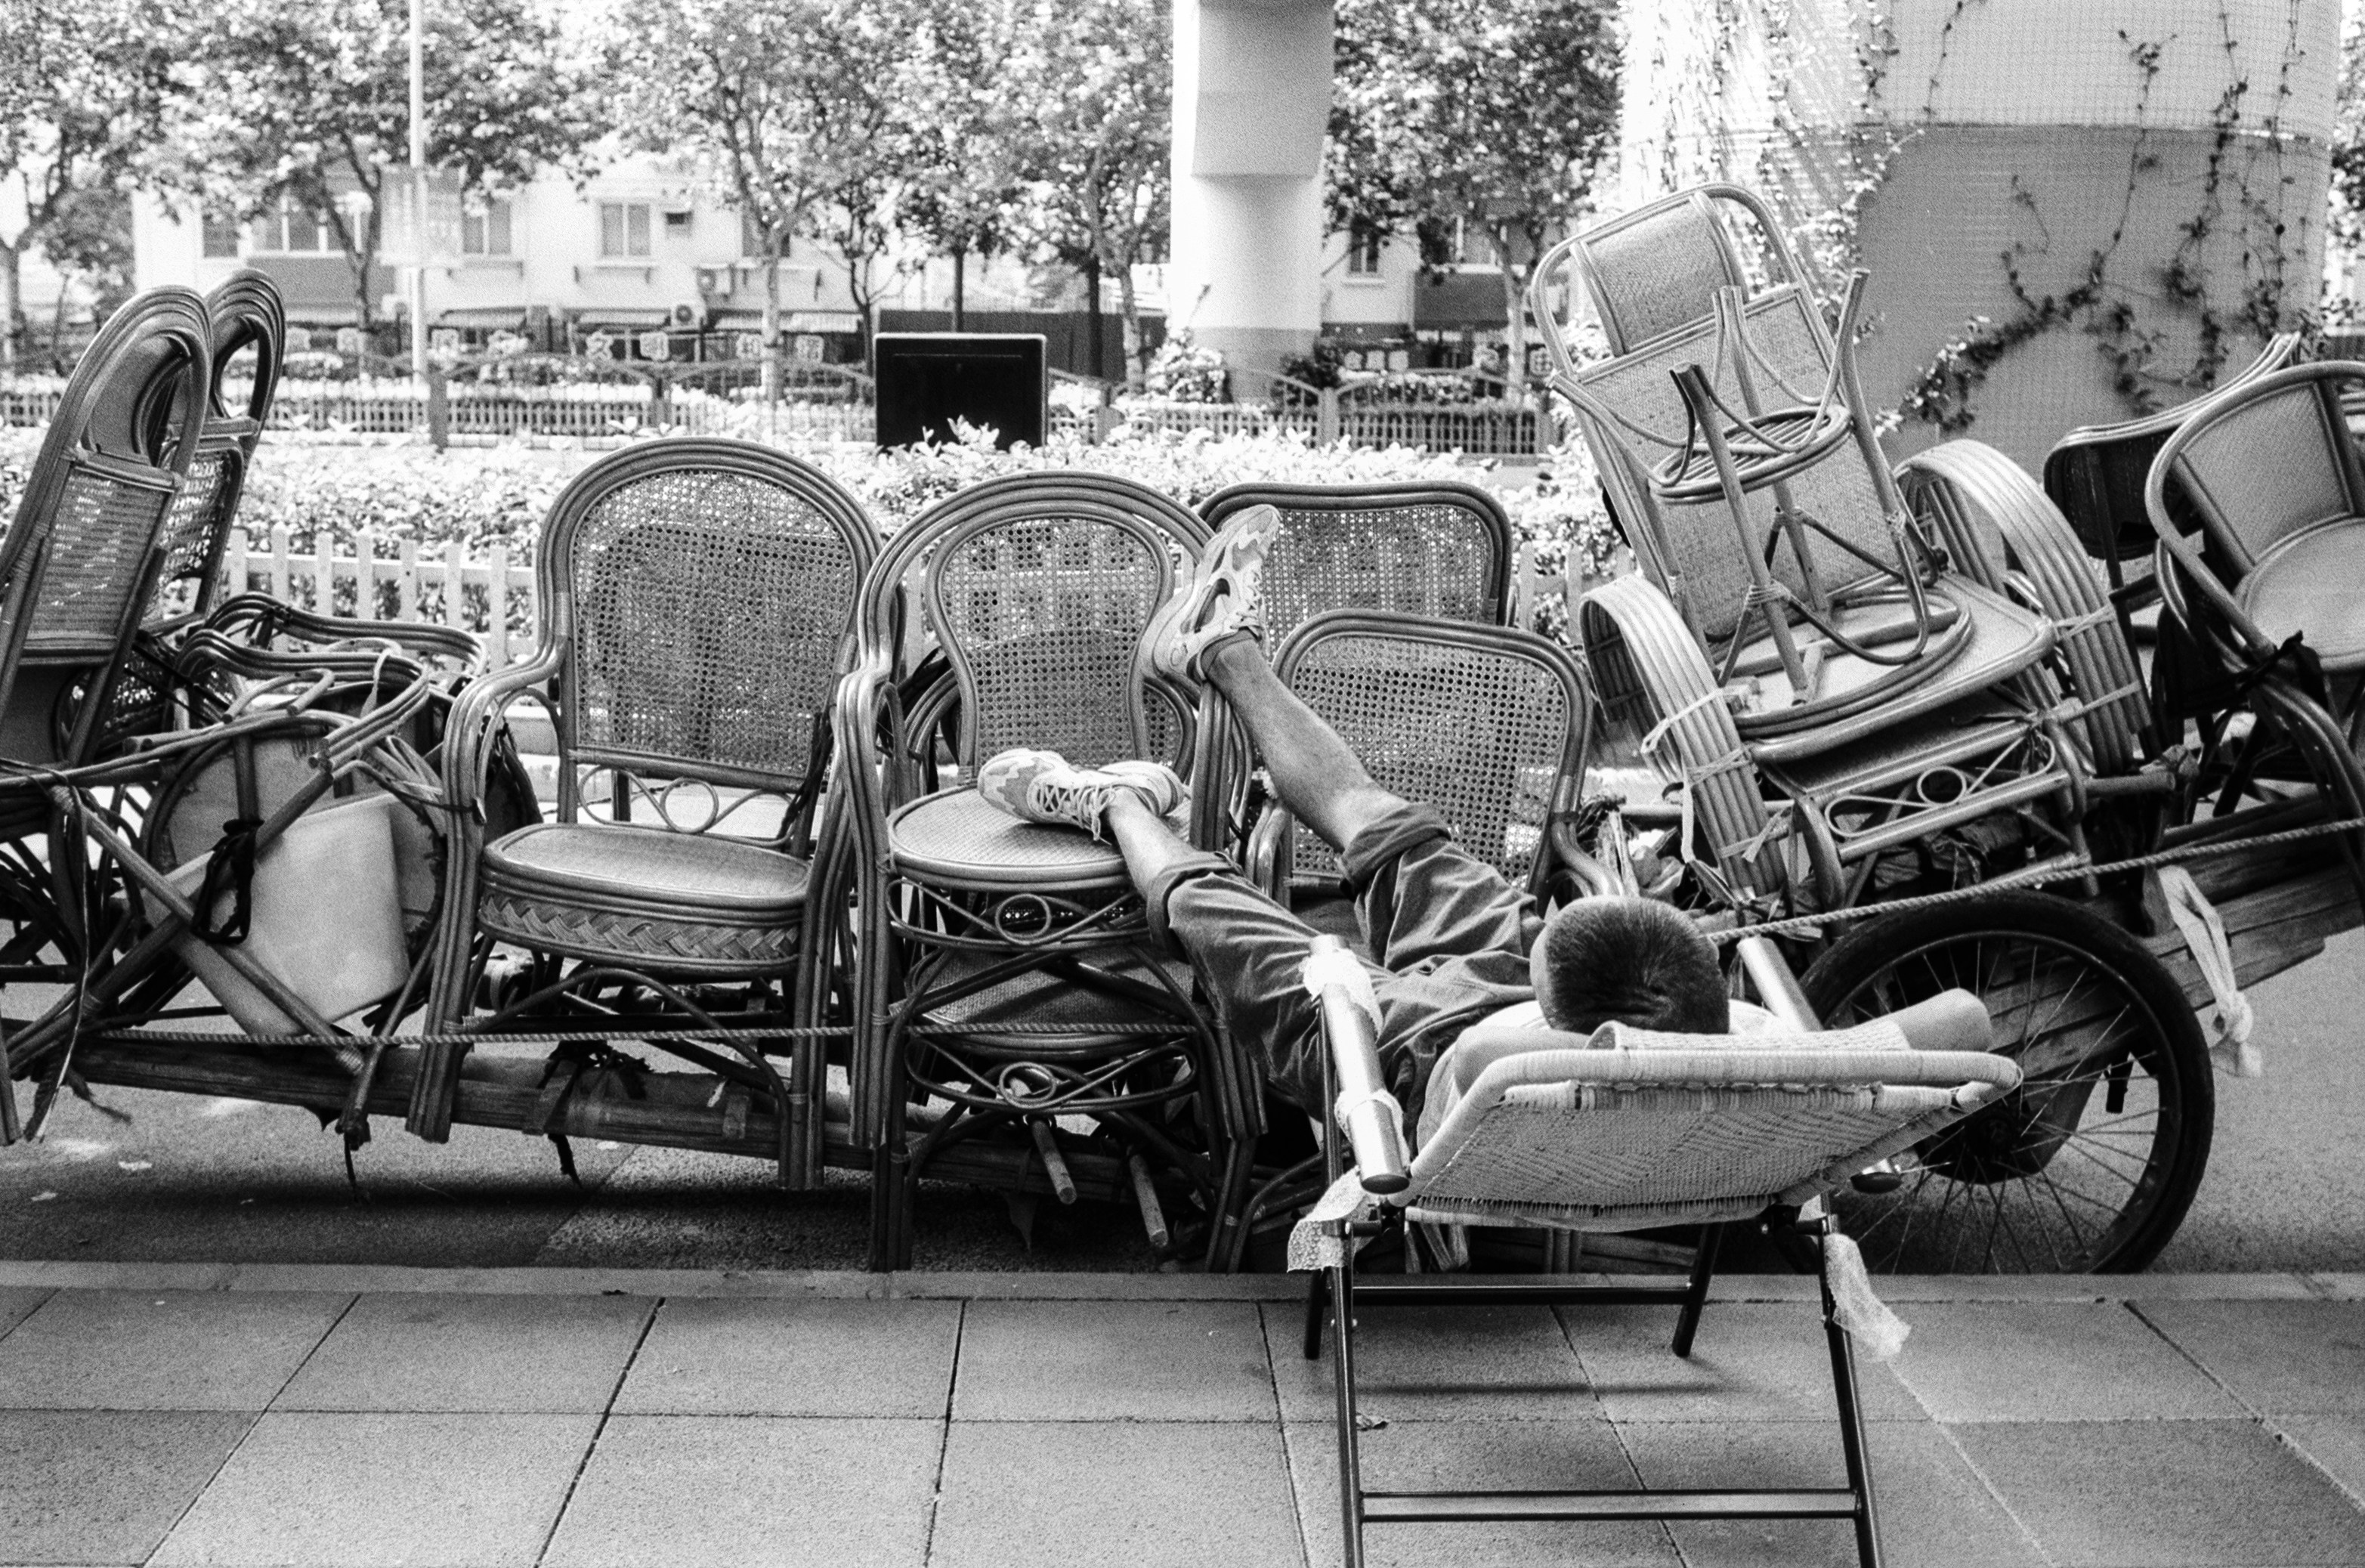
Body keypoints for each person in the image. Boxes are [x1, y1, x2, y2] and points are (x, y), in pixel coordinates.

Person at [972, 504, 1734, 1135]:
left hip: (1398, 1042)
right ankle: (1220, 648)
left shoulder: (1491, 1081)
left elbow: (1465, 1069)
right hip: (1525, 988)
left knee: (1213, 901)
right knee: (1396, 829)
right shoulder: (1752, 1065)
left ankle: (1111, 801)